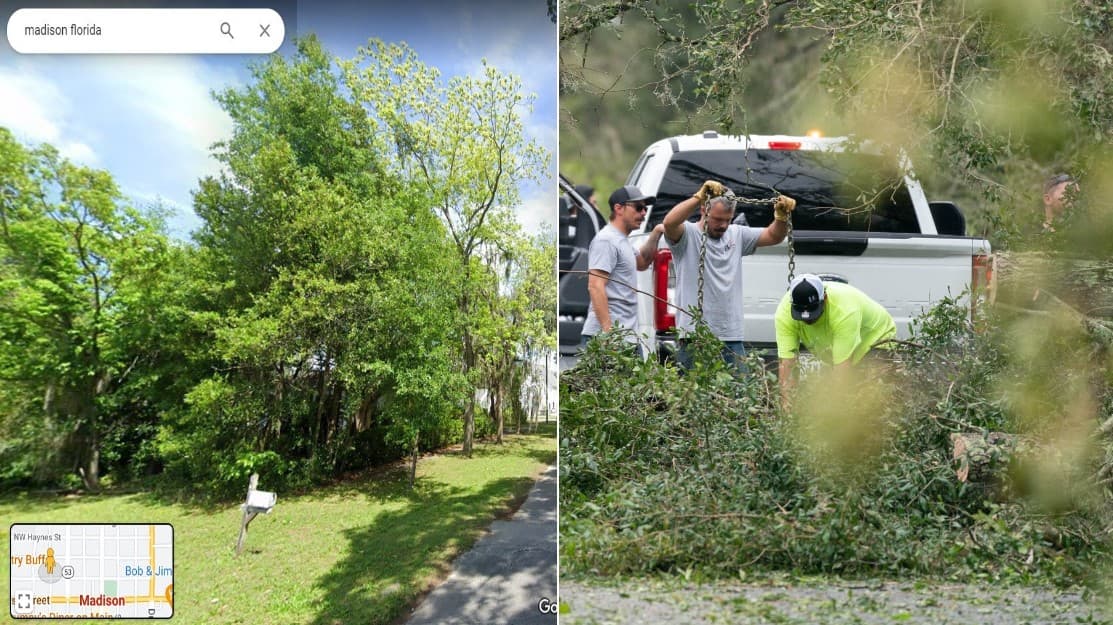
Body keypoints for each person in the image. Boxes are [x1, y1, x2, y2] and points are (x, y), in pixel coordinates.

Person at [661, 179, 796, 371]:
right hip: (694, 337)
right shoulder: (687, 235)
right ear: (703, 210)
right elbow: (669, 223)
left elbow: (773, 236)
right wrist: (698, 196)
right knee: (691, 397)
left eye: (728, 219)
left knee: (738, 395)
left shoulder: (737, 234)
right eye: (717, 219)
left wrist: (781, 218)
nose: (723, 225)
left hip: (731, 336)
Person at [775, 274, 897, 406]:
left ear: (825, 298)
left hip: (875, 337)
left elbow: (841, 370)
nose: (808, 319)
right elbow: (787, 366)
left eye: (813, 312)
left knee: (872, 399)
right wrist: (787, 412)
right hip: (836, 343)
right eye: (802, 315)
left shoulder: (844, 310)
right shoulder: (784, 315)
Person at [581, 185, 666, 352]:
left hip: (627, 336)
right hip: (608, 338)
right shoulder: (606, 240)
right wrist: (609, 334)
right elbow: (595, 286)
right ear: (618, 208)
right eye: (638, 208)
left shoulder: (622, 240)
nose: (643, 213)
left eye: (645, 208)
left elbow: (642, 263)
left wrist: (656, 233)